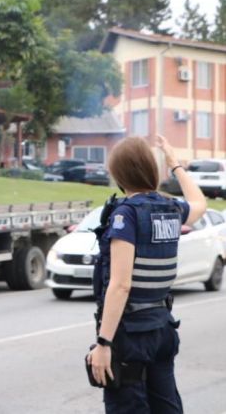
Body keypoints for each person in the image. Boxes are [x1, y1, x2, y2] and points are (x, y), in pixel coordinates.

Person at [87, 135, 206, 413]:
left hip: (131, 336)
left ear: (119, 174)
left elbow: (120, 285)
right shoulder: (170, 208)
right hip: (162, 329)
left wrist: (104, 343)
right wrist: (174, 164)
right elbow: (199, 203)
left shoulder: (126, 215)